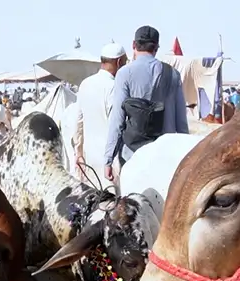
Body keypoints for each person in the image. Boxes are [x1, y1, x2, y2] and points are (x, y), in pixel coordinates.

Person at [104, 25, 188, 183]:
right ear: (156, 47)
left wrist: (108, 159)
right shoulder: (173, 74)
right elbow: (181, 123)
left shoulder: (124, 73)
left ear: (133, 45)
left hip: (132, 156)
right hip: (165, 156)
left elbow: (117, 120)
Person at [75, 42, 128, 186]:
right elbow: (116, 125)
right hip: (110, 162)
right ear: (119, 62)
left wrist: (78, 153)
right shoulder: (115, 87)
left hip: (89, 159)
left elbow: (79, 122)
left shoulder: (85, 84)